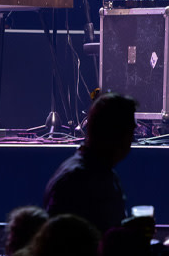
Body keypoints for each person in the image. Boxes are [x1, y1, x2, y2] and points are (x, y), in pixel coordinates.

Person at [43, 92, 137, 234]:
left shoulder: (102, 172)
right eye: (130, 132)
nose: (132, 140)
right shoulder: (74, 180)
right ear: (114, 134)